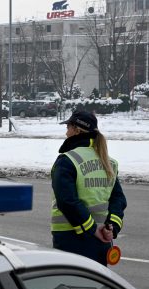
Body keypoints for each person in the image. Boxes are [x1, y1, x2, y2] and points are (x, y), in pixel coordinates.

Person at [51, 110, 127, 266]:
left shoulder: (67, 160)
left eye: (68, 128)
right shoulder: (108, 161)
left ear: (77, 130)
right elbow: (118, 198)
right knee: (95, 288)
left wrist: (92, 229)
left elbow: (66, 201)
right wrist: (111, 227)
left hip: (70, 239)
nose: (66, 134)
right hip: (102, 241)